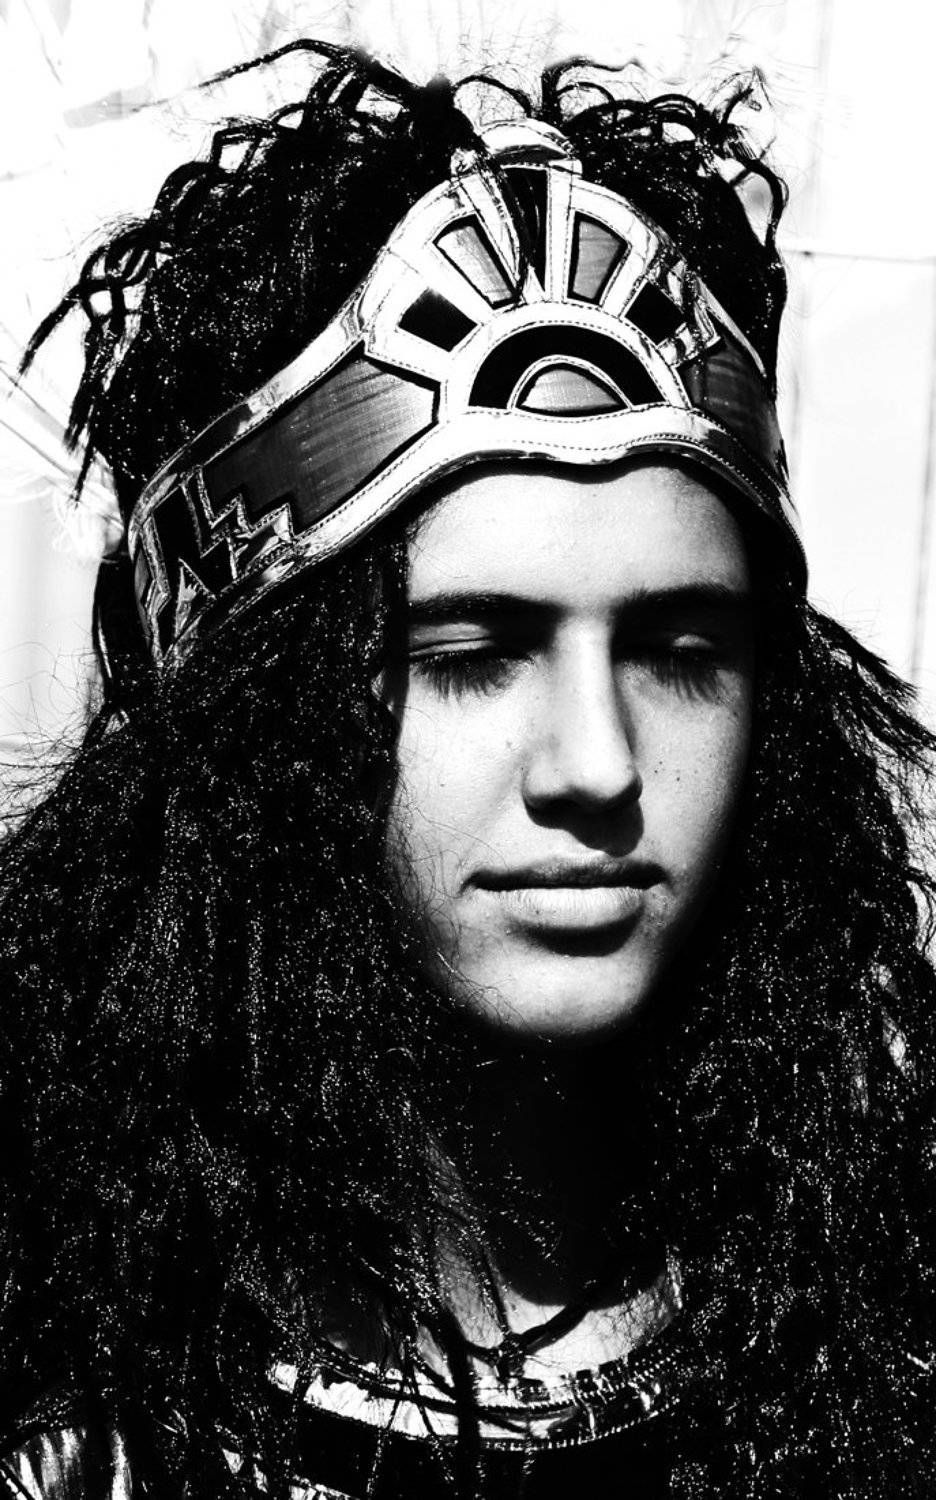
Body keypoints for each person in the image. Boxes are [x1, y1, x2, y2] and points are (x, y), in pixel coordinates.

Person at [0, 39, 934, 1500]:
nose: (597, 764)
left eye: (680, 650)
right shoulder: (57, 1395)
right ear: (255, 728)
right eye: (470, 654)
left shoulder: (895, 1336)